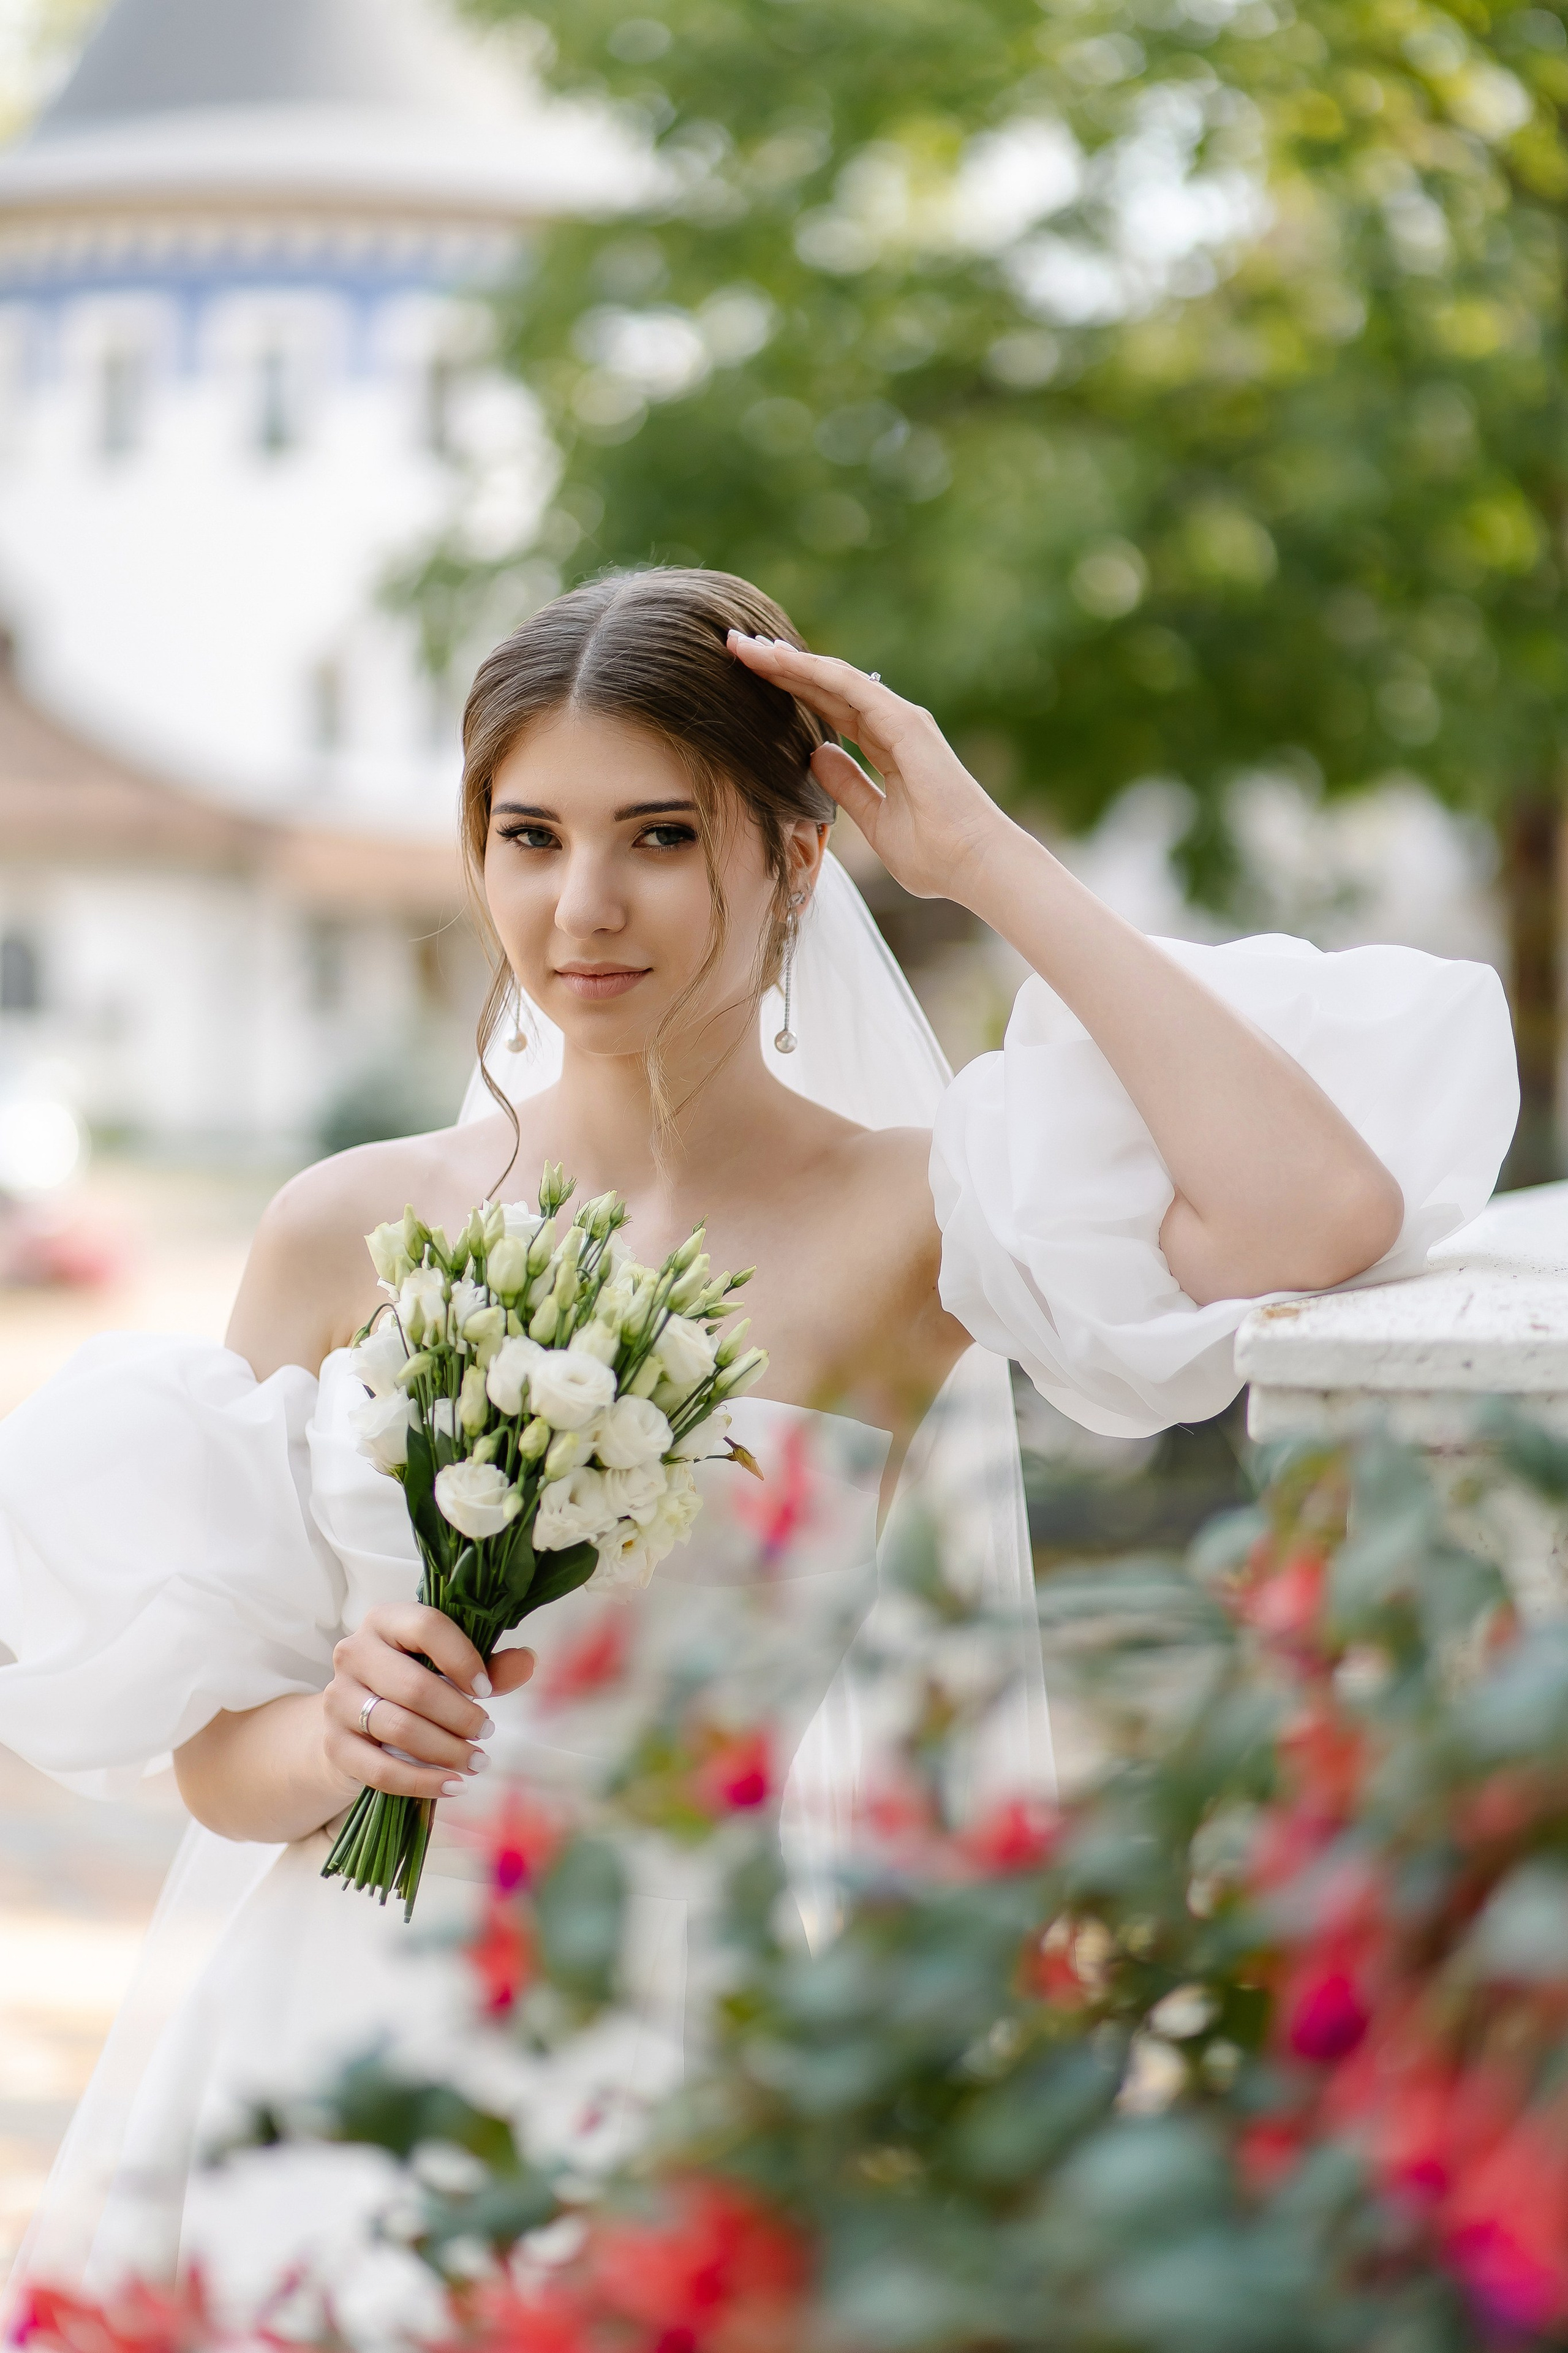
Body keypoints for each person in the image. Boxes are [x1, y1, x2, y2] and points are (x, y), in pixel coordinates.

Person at [0, 568, 1517, 2307]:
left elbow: (1316, 1212)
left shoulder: (909, 1217)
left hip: (679, 2056)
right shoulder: (344, 1225)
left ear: (796, 859)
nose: (584, 904)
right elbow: (219, 1763)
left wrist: (979, 855)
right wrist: (338, 1734)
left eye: (660, 835)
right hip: (320, 2058)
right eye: (529, 836)